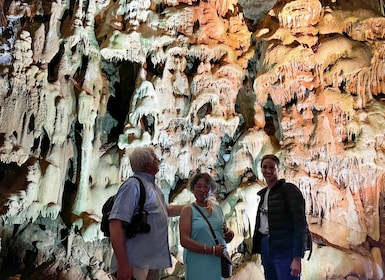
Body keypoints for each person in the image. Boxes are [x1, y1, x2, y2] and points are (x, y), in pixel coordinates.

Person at [109, 146, 184, 280]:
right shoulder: (132, 185)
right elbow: (116, 223)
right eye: (155, 158)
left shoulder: (154, 188)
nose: (158, 159)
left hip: (151, 261)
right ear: (148, 165)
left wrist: (191, 208)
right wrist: (123, 263)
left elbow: (164, 211)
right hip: (134, 261)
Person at [252, 154, 307, 280]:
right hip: (266, 245)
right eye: (265, 167)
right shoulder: (264, 194)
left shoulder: (288, 190)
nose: (268, 171)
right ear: (261, 169)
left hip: (284, 249)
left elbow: (299, 223)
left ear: (278, 169)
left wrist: (297, 257)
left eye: (272, 167)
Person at [179, 172, 234, 280]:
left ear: (211, 189)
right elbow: (184, 240)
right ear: (193, 189)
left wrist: (229, 234)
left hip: (217, 263)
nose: (202, 190)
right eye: (198, 186)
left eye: (206, 186)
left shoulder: (218, 209)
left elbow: (223, 231)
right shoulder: (188, 210)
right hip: (198, 263)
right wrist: (212, 250)